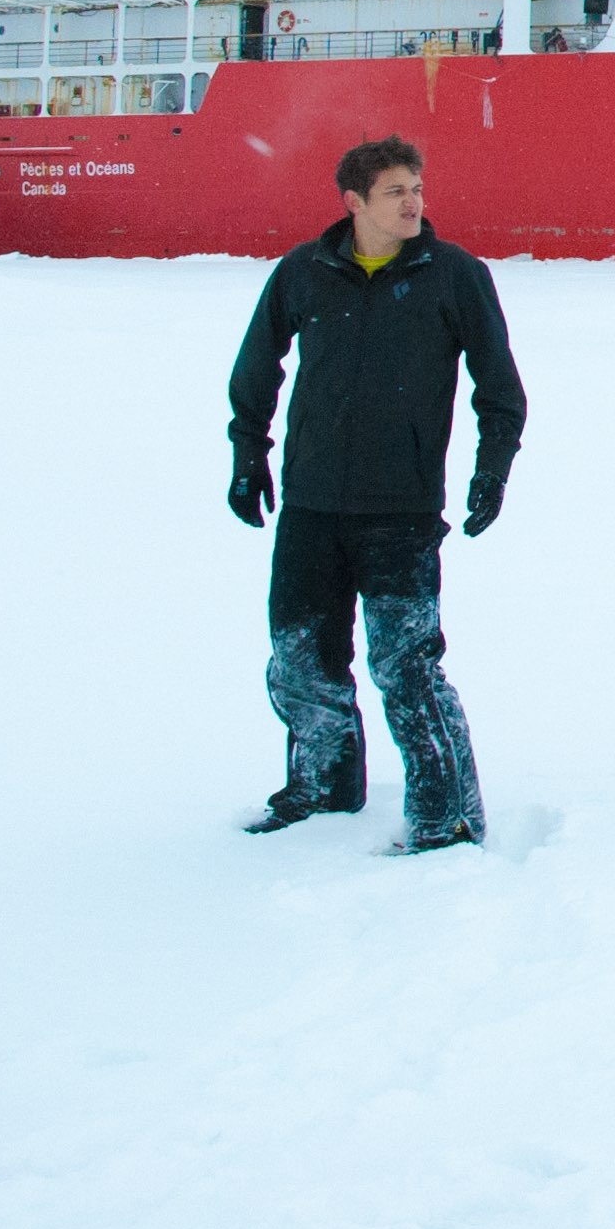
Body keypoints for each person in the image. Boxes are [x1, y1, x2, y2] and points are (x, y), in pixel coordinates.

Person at [223, 135, 525, 850]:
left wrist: (493, 469)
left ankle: (446, 815)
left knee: (406, 668)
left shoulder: (453, 276)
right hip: (311, 504)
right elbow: (257, 365)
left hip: (401, 509)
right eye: (396, 191)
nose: (415, 202)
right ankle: (324, 788)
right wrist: (247, 453)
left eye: (418, 187)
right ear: (354, 202)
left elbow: (500, 387)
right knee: (300, 656)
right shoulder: (304, 272)